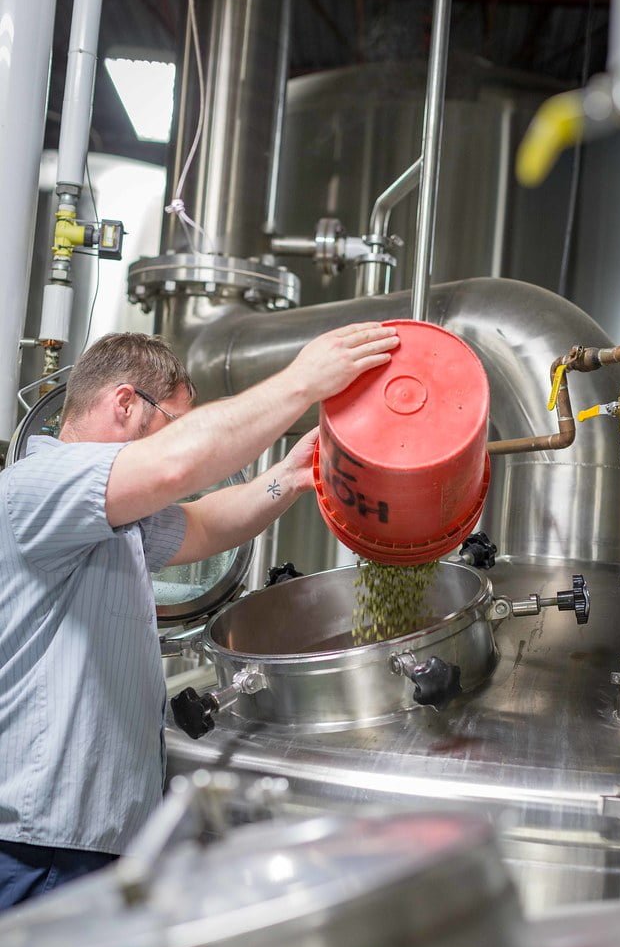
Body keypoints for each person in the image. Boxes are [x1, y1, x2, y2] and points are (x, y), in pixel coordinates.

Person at [0, 321, 399, 909]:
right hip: (42, 846)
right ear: (125, 403)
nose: (176, 441)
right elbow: (175, 468)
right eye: (173, 424)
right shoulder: (40, 483)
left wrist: (289, 478)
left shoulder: (113, 515)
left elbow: (206, 525)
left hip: (98, 841)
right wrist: (302, 382)